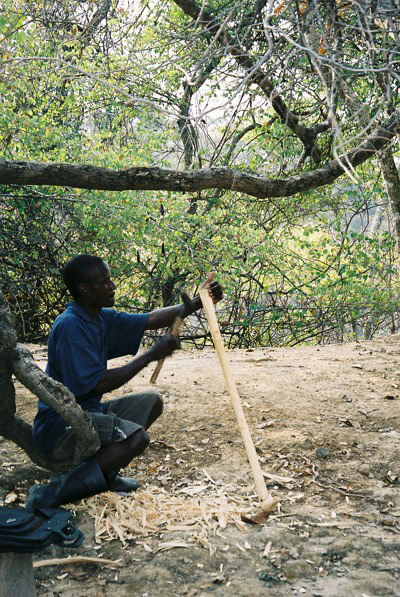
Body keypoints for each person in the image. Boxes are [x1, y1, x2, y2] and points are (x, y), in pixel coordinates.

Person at [26, 255, 222, 510]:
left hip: (86, 413)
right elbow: (99, 384)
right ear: (84, 289)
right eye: (104, 282)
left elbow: (149, 319)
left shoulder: (98, 316)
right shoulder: (71, 326)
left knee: (151, 403)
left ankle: (106, 475)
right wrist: (151, 355)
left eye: (110, 280)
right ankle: (52, 494)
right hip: (60, 427)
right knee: (136, 439)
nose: (112, 286)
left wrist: (197, 303)